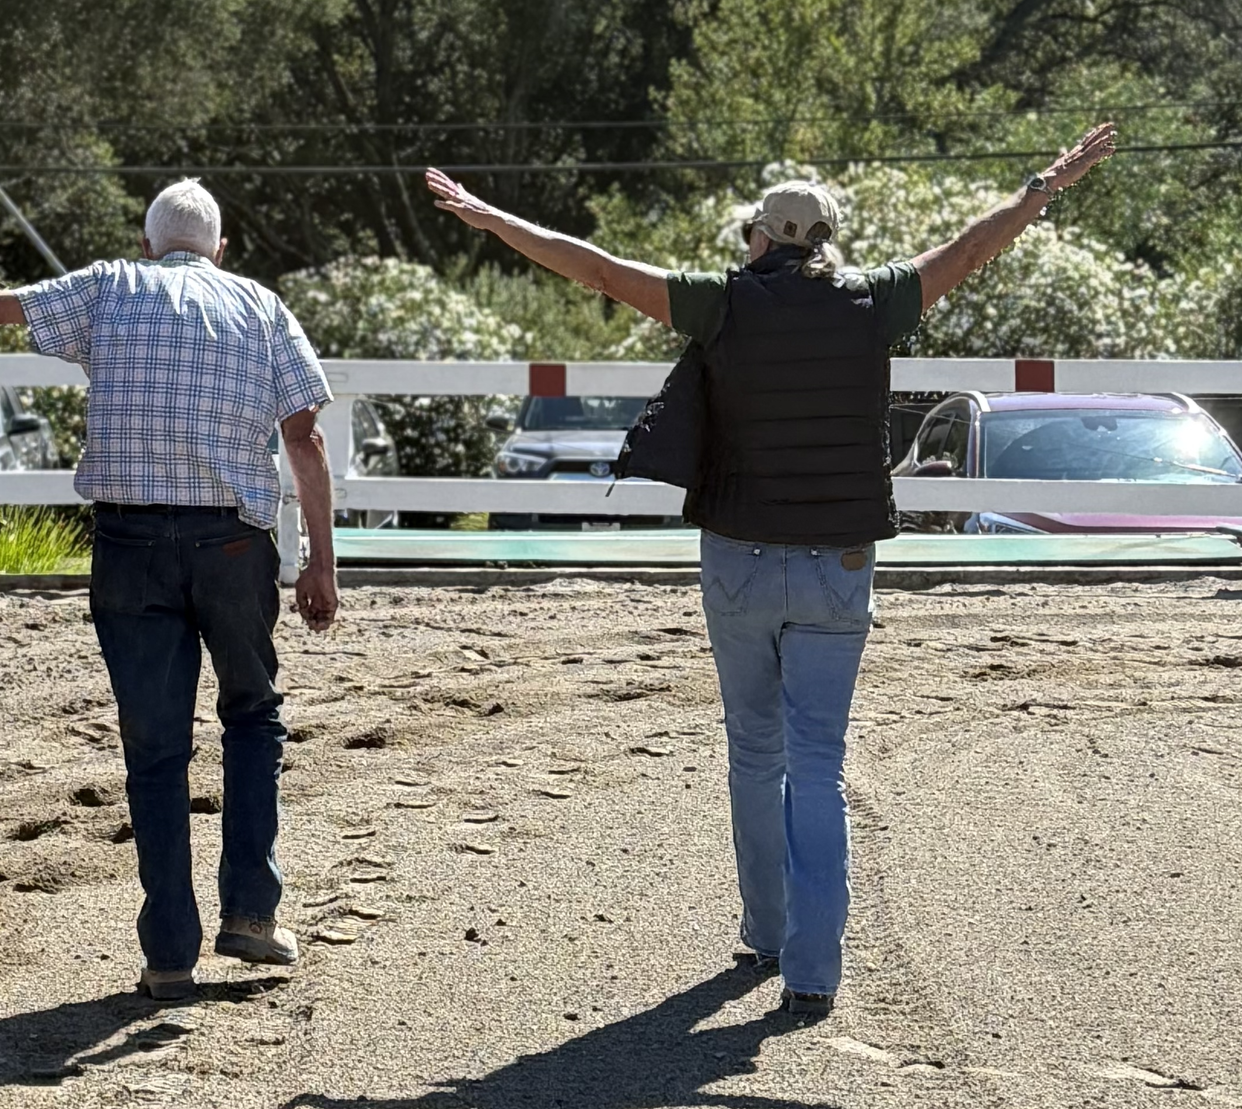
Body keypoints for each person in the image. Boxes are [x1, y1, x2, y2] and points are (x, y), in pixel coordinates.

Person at [421, 123, 1119, 1017]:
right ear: (825, 240)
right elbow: (973, 247)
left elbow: (593, 266)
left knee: (755, 753)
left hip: (740, 559)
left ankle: (765, 927)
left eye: (750, 231)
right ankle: (813, 971)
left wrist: (492, 217)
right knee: (818, 764)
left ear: (762, 237)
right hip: (840, 560)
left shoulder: (722, 302)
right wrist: (1040, 186)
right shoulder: (875, 300)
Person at [0, 179, 340, 1002]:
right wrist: (321, 561)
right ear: (219, 249)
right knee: (253, 716)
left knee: (155, 750)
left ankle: (168, 951)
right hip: (232, 541)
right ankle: (252, 914)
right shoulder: (260, 306)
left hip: (128, 543)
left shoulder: (111, 286)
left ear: (150, 242)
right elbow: (306, 438)